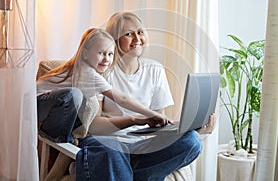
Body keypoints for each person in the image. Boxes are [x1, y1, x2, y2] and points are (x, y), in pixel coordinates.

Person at [73, 12, 215, 180]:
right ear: (114, 40)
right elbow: (94, 126)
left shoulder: (155, 70)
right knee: (111, 148)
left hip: (142, 146)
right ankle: (129, 171)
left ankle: (125, 171)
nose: (137, 38)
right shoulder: (103, 70)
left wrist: (191, 128)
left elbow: (158, 121)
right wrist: (135, 119)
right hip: (108, 143)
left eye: (140, 32)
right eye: (128, 34)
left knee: (192, 141)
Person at [37, 28, 171, 180]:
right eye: (101, 53)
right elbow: (122, 99)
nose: (106, 59)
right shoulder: (87, 73)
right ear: (86, 53)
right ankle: (60, 136)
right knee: (73, 95)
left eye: (110, 54)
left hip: (50, 108)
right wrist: (152, 113)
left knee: (77, 98)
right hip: (38, 106)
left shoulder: (87, 72)